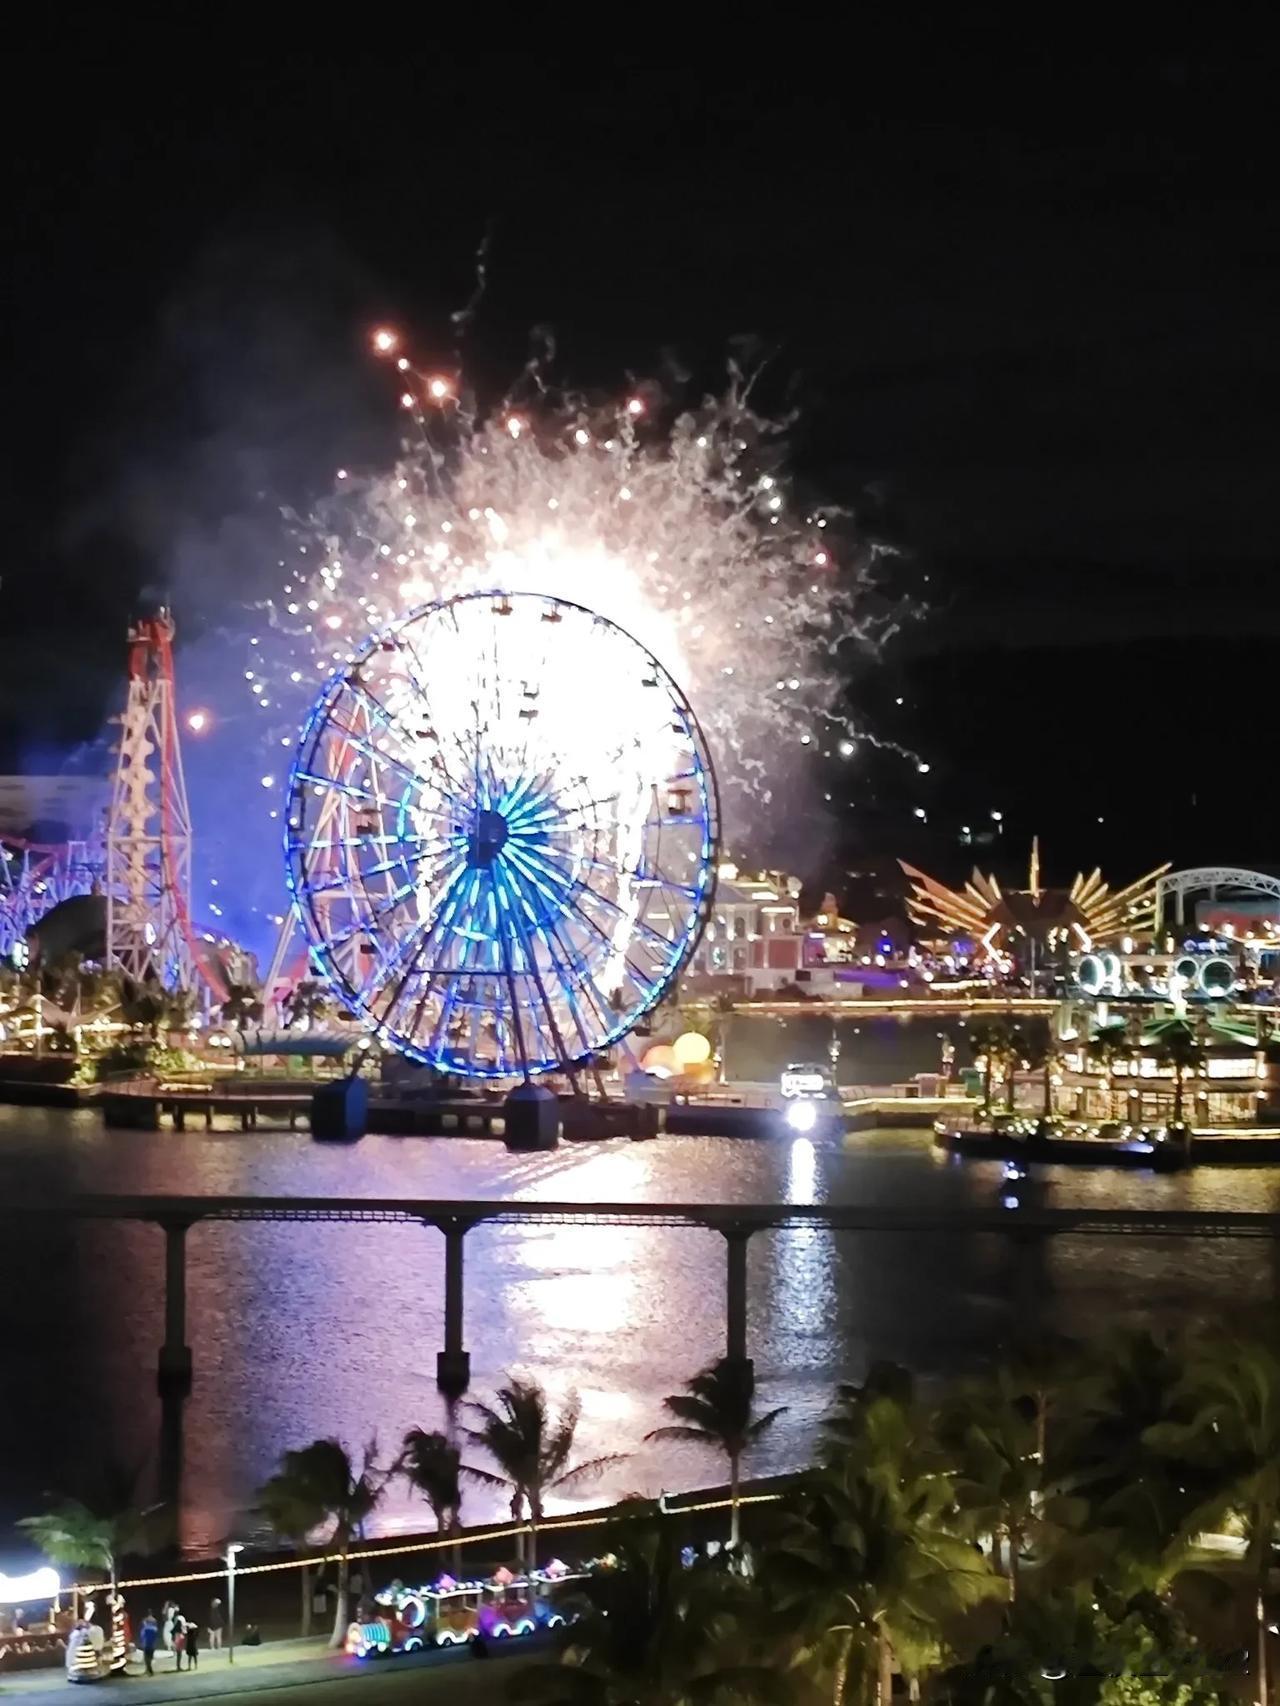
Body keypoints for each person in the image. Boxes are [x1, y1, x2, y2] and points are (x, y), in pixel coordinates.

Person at [140, 1611, 159, 1676]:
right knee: (150, 1657)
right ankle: (149, 1670)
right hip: (152, 1644)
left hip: (146, 1644)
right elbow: (155, 1636)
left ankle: (149, 1670)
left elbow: (142, 1636)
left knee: (146, 1658)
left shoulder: (145, 1628)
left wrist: (142, 1642)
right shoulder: (154, 1629)